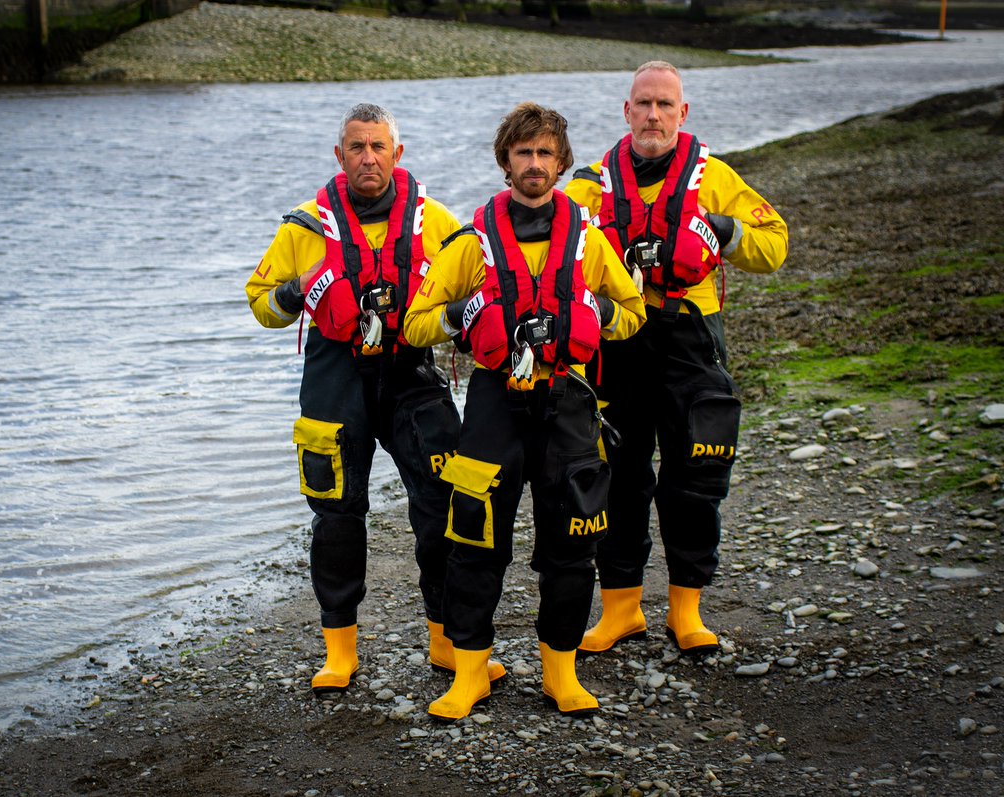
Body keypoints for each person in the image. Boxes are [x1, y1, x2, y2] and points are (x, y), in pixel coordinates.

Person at [245, 103, 508, 696]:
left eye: (378, 147)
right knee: (336, 512)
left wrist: (466, 323)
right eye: (357, 148)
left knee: (444, 498)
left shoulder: (436, 222)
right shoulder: (304, 228)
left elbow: (481, 287)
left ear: (398, 154)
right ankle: (340, 649)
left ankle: (446, 641)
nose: (368, 158)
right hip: (335, 375)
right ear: (339, 156)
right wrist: (295, 292)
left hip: (410, 371)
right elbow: (260, 304)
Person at [404, 102, 646, 721]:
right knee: (473, 539)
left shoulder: (590, 240)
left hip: (567, 401)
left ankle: (560, 674)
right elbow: (415, 323)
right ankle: (468, 674)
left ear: (562, 163)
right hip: (493, 404)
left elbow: (633, 313)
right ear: (505, 161)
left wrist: (593, 315)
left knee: (572, 545)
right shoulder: (469, 243)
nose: (534, 164)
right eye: (523, 153)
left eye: (544, 153)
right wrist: (464, 317)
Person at [564, 61, 789, 657]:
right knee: (618, 476)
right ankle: (621, 609)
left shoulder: (713, 178)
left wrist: (719, 229)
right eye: (644, 104)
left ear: (682, 114)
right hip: (617, 345)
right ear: (627, 112)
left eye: (665, 104)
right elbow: (551, 252)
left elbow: (774, 244)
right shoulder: (589, 187)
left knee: (695, 476)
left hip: (691, 340)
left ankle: (686, 612)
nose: (654, 115)